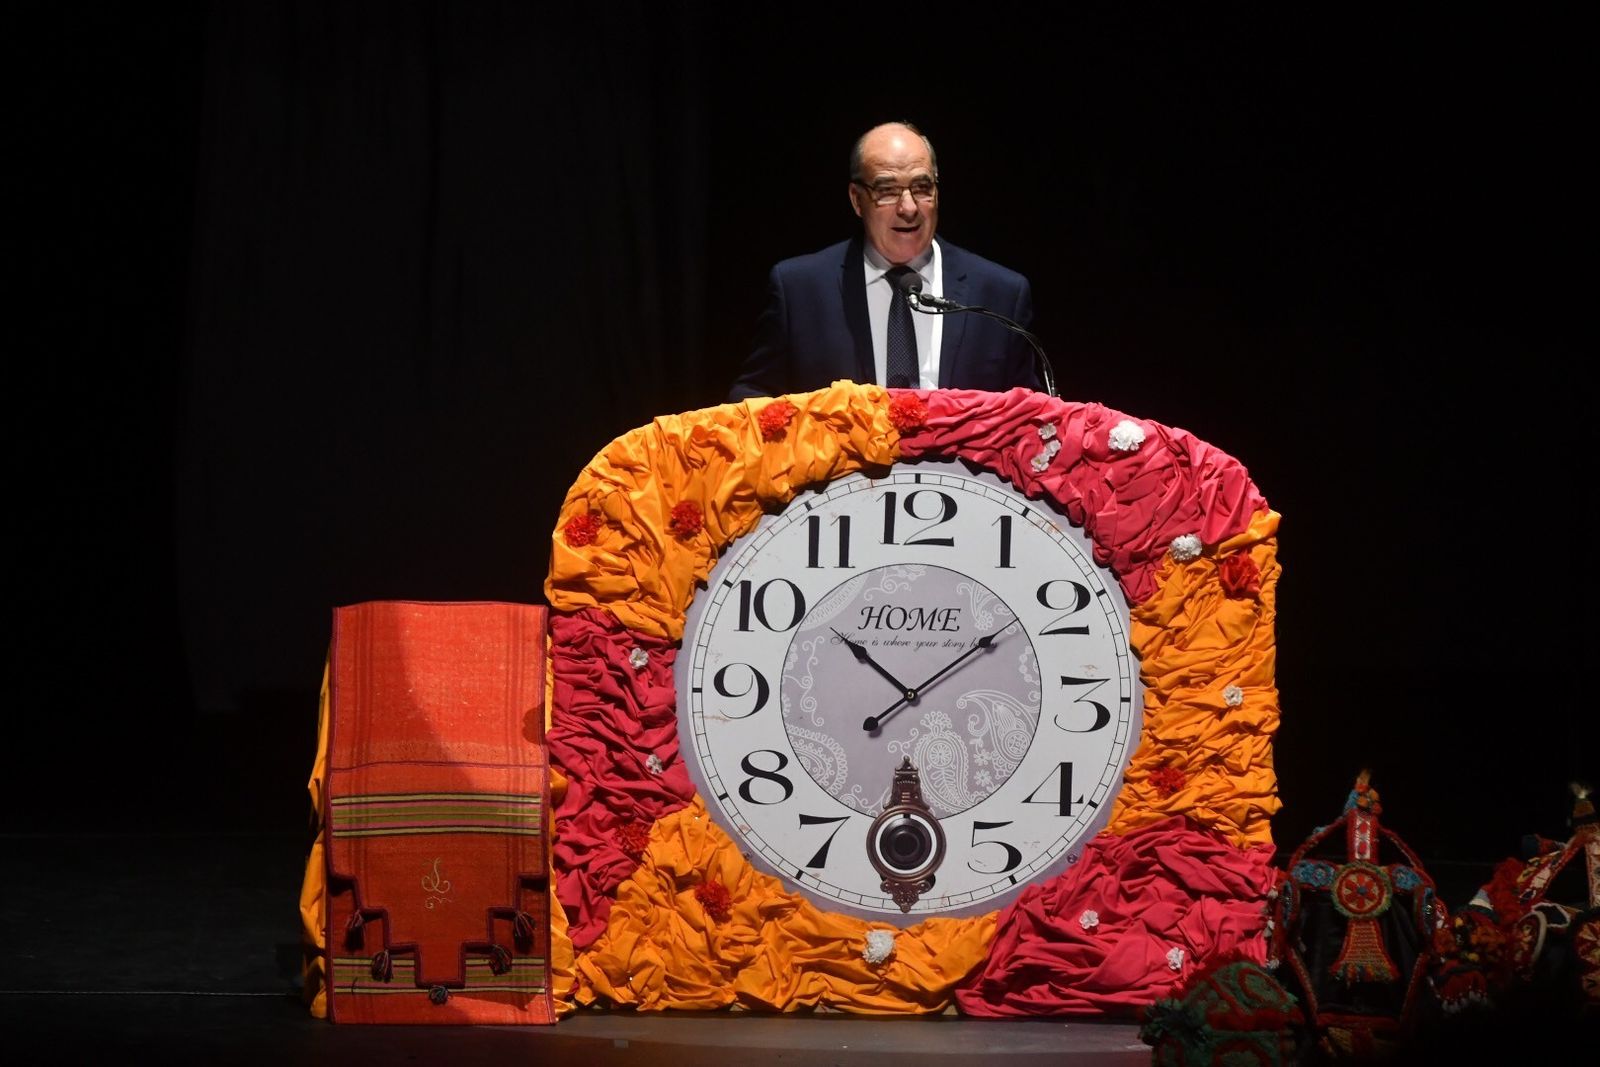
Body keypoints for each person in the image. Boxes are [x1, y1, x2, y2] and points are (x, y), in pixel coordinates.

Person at [727, 121, 1041, 401]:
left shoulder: (999, 296)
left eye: (921, 188)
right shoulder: (800, 291)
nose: (908, 208)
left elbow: (1036, 421)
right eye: (887, 191)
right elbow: (751, 402)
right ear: (856, 199)